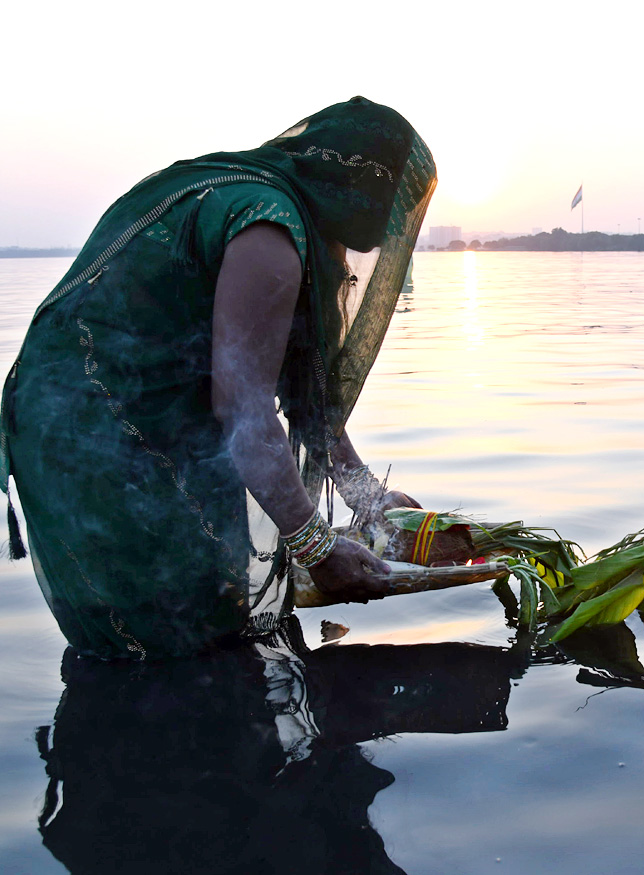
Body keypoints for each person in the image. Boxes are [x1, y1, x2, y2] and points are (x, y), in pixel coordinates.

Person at [0, 97, 437, 660]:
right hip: (96, 428)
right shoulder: (268, 230)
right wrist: (320, 551)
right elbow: (245, 412)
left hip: (136, 414)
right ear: (357, 183)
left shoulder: (277, 209)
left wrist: (371, 502)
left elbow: (304, 402)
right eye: (389, 198)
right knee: (166, 628)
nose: (389, 226)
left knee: (207, 605)